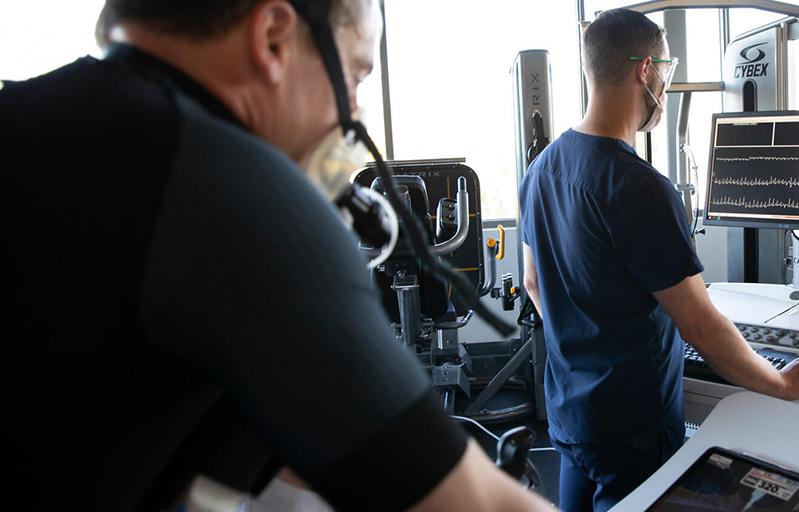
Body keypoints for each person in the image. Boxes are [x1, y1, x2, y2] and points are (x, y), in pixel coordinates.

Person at [2, 1, 551, 510]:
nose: (353, 109)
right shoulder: (221, 180)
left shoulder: (34, 122)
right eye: (357, 75)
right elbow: (469, 503)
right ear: (272, 39)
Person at [518, 9, 799, 512]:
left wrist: (585, 339)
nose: (666, 88)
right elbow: (701, 328)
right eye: (666, 73)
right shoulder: (640, 189)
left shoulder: (541, 169)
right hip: (633, 426)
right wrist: (782, 381)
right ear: (645, 70)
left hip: (570, 411)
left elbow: (534, 283)